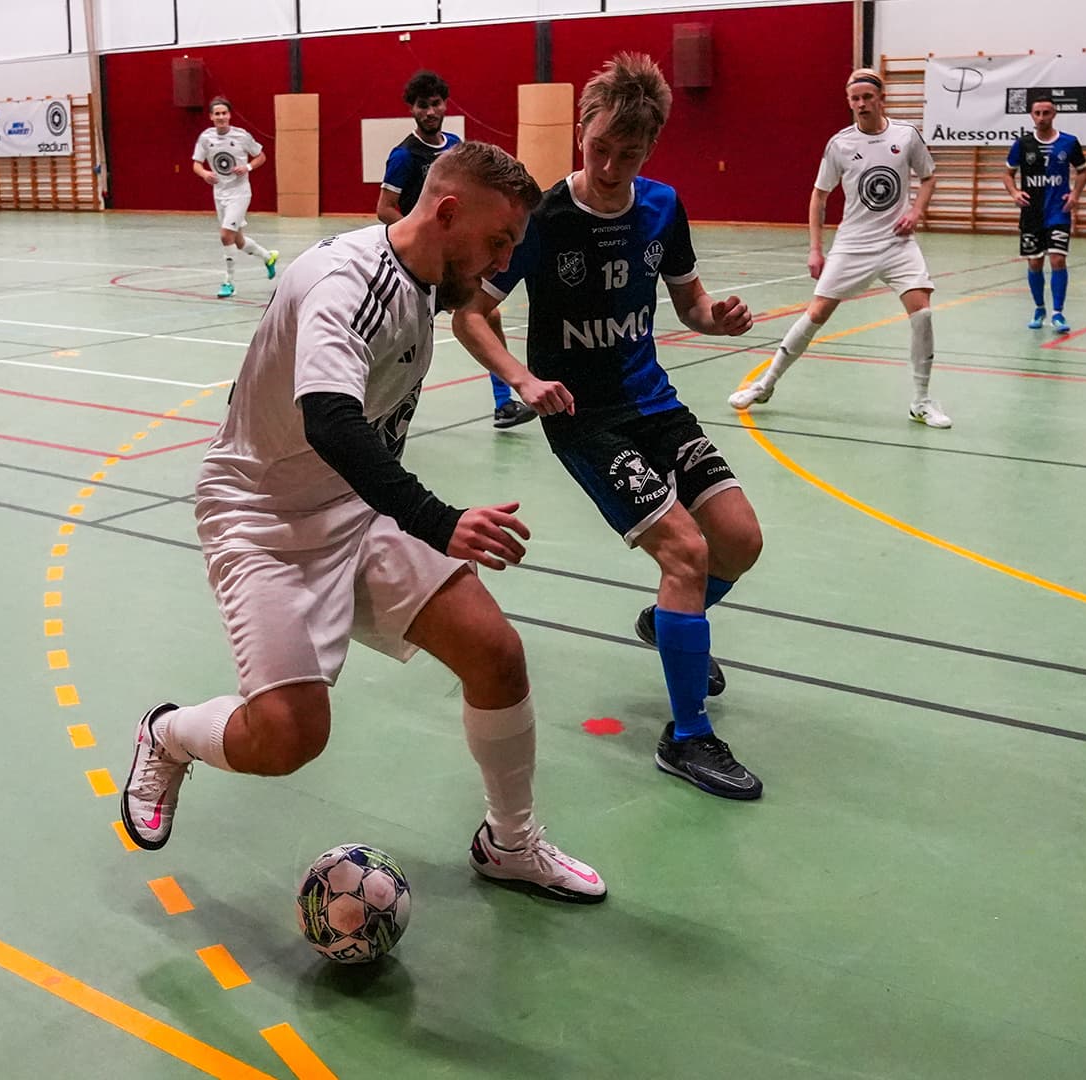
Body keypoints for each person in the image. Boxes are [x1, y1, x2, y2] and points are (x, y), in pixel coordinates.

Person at [122, 140, 605, 903]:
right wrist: (437, 520)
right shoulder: (349, 282)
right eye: (497, 241)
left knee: (496, 655)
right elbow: (330, 421)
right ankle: (168, 733)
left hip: (352, 503)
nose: (499, 263)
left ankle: (511, 843)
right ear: (447, 212)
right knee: (290, 737)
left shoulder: (423, 279)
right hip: (263, 515)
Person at [453, 54, 765, 801]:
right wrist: (523, 380)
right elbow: (470, 312)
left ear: (649, 150)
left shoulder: (661, 207)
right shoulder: (544, 219)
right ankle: (688, 736)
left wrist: (715, 322)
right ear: (581, 131)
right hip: (584, 418)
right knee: (686, 551)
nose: (612, 164)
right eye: (600, 147)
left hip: (654, 403)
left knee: (740, 540)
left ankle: (669, 622)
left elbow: (689, 306)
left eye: (630, 154)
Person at [727, 69, 950, 429]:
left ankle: (921, 401)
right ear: (849, 102)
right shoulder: (840, 144)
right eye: (854, 99)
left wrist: (916, 211)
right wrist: (816, 249)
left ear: (882, 98)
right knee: (816, 314)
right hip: (853, 244)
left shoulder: (906, 136)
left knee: (922, 313)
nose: (861, 104)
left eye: (867, 97)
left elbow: (928, 177)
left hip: (897, 242)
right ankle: (766, 384)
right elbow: (819, 195)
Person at [377, 70, 534, 431]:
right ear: (412, 110)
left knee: (485, 315)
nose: (430, 111)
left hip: (458, 260)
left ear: (445, 105)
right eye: (422, 105)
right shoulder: (404, 156)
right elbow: (385, 207)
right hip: (424, 261)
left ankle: (503, 404)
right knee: (404, 334)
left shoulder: (457, 148)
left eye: (435, 104)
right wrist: (422, 235)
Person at [1004, 95, 1086, 331]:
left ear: (1054, 114)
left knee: (1058, 259)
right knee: (1035, 263)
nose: (1041, 117)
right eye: (1037, 113)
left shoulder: (1069, 142)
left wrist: (1075, 195)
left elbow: (1083, 171)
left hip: (1058, 212)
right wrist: (1014, 193)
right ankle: (1039, 308)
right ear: (1032, 115)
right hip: (1031, 214)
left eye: (1046, 113)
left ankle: (1058, 313)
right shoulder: (1023, 144)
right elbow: (1007, 174)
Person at [192, 97, 279, 297]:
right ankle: (267, 257)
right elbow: (196, 163)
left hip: (240, 192)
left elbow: (261, 156)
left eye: (224, 113)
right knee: (237, 241)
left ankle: (228, 283)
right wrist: (205, 174)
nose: (221, 117)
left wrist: (247, 166)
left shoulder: (241, 136)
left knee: (225, 236)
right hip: (219, 193)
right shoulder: (206, 138)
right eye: (217, 114)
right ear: (211, 117)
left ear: (229, 115)